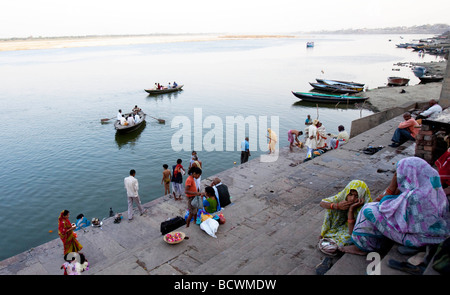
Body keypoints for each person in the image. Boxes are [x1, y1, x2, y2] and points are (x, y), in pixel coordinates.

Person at [344, 157, 450, 255]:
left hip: (420, 239)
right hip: (437, 233)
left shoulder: (415, 197)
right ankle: (363, 240)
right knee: (373, 208)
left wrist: (392, 186)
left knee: (368, 210)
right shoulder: (432, 187)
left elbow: (384, 207)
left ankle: (363, 246)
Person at [319, 180, 372, 247]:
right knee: (331, 208)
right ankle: (327, 232)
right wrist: (336, 206)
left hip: (353, 230)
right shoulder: (343, 196)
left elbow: (351, 232)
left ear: (361, 196)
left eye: (356, 196)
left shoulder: (366, 209)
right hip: (341, 225)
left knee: (345, 240)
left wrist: (351, 209)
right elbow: (322, 203)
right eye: (350, 194)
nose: (352, 199)